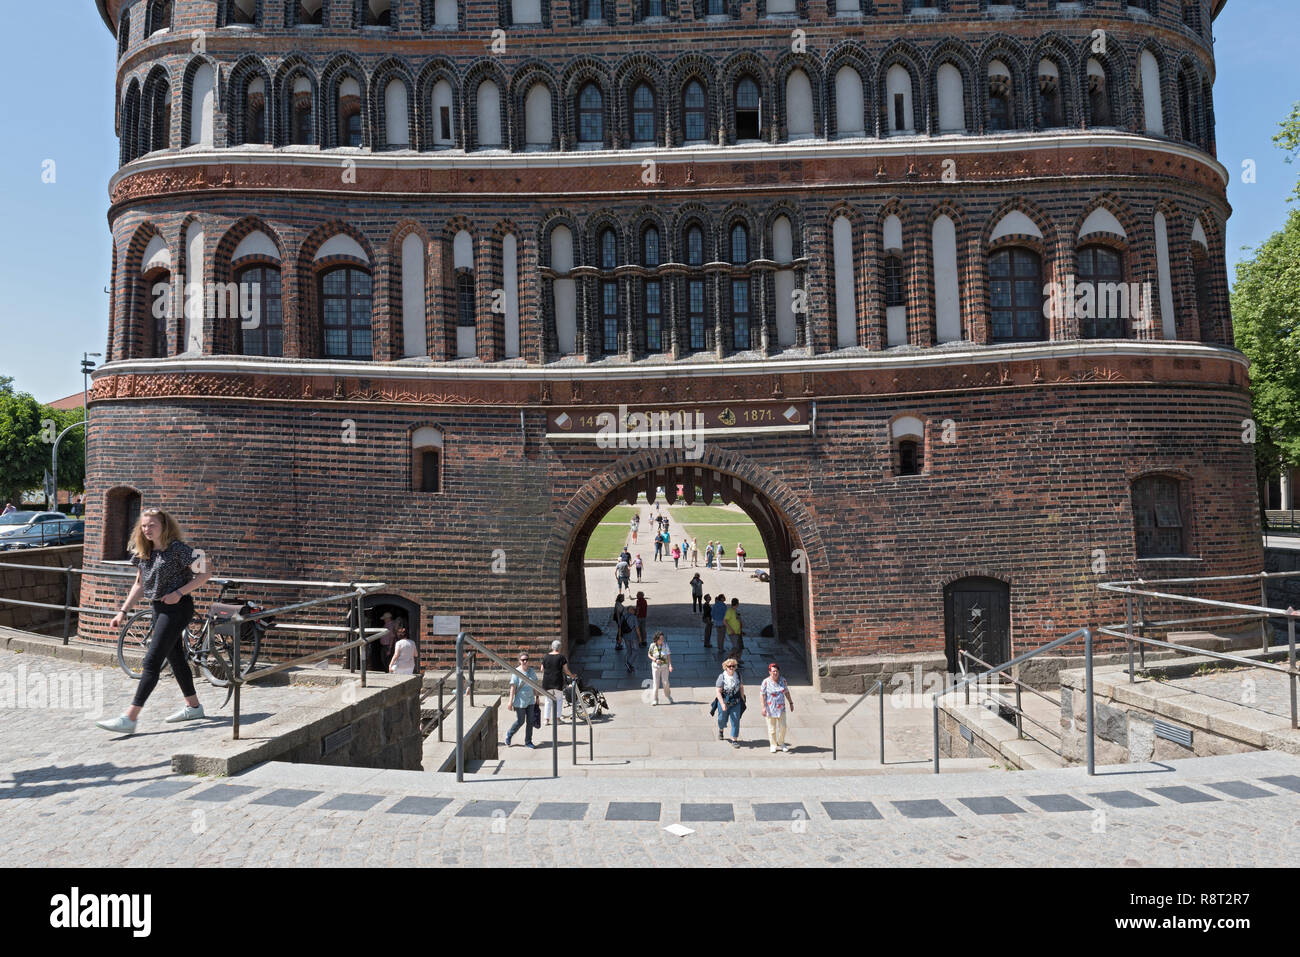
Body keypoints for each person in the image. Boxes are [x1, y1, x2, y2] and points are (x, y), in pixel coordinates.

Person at [97, 507, 213, 734]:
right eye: (144, 525)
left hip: (178, 608)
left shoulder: (178, 549)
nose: (147, 529)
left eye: (152, 525)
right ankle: (194, 707)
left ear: (164, 526)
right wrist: (122, 611)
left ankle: (130, 718)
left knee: (151, 662)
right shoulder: (144, 552)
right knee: (177, 658)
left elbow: (206, 572)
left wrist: (179, 592)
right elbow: (139, 585)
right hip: (158, 609)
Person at [504, 652, 538, 748]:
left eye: (527, 659)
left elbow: (535, 685)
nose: (525, 661)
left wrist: (537, 697)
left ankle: (528, 741)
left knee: (530, 722)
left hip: (530, 700)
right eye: (523, 660)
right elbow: (513, 687)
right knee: (520, 721)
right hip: (520, 701)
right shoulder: (516, 672)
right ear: (519, 661)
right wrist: (510, 702)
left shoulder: (531, 671)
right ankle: (509, 734)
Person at [760, 662, 794, 753]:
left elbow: (786, 692)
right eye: (773, 671)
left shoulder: (783, 681)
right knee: (772, 729)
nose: (775, 673)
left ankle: (781, 742)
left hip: (781, 709)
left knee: (783, 727)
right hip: (770, 709)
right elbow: (762, 695)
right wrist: (763, 707)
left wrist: (791, 703)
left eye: (776, 671)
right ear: (769, 672)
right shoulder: (765, 682)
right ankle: (773, 745)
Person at [541, 639, 576, 725]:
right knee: (559, 700)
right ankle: (557, 719)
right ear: (559, 648)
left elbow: (542, 669)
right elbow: (566, 670)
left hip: (547, 682)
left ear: (552, 647)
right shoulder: (561, 657)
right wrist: (572, 676)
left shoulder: (545, 657)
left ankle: (546, 720)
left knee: (548, 700)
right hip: (557, 681)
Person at [714, 658, 745, 747]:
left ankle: (734, 740)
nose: (731, 668)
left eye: (733, 666)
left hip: (736, 702)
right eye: (729, 666)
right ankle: (721, 730)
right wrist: (722, 704)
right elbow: (718, 692)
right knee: (722, 719)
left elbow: (741, 687)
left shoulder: (738, 675)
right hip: (724, 701)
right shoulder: (722, 677)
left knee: (735, 720)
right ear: (725, 667)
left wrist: (742, 698)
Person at [648, 631, 673, 705]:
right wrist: (655, 660)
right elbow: (649, 654)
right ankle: (655, 699)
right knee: (656, 684)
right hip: (655, 667)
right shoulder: (652, 645)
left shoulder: (665, 645)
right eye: (660, 639)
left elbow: (668, 655)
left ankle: (668, 696)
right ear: (656, 639)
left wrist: (670, 665)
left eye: (663, 638)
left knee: (665, 683)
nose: (662, 640)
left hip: (664, 667)